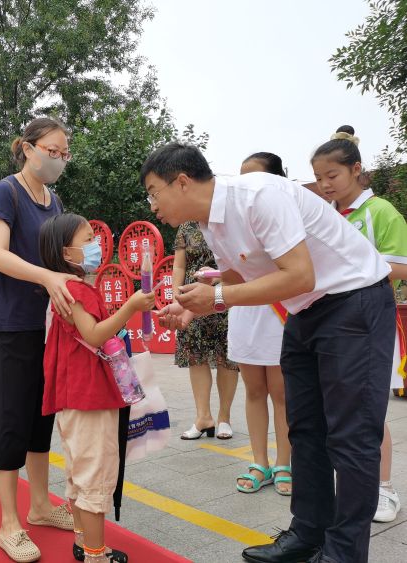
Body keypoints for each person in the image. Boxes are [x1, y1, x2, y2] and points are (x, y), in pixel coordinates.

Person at [142, 142, 395, 563]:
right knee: (304, 427)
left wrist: (219, 296)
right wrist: (190, 309)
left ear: (182, 181)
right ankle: (307, 534)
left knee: (350, 436)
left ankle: (345, 554)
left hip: (353, 303)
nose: (153, 206)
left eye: (154, 192)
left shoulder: (261, 195)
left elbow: (299, 273)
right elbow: (243, 273)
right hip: (306, 311)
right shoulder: (210, 222)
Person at [0, 117, 75, 562]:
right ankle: (8, 523)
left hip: (47, 323)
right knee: (12, 418)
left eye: (64, 152)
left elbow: (59, 256)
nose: (58, 158)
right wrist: (48, 276)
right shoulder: (6, 191)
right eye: (51, 150)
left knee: (41, 418)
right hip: (11, 321)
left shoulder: (54, 201)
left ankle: (39, 506)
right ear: (27, 147)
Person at [40, 213, 154, 563]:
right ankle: (95, 554)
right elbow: (94, 334)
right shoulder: (76, 289)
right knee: (95, 476)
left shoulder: (64, 289)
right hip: (90, 396)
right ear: (67, 253)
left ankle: (82, 542)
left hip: (75, 396)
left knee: (79, 472)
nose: (96, 245)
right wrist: (132, 307)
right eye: (88, 239)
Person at [311, 125, 407, 523]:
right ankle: (351, 486)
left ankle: (383, 489)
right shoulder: (322, 218)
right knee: (336, 412)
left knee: (369, 412)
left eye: (332, 176)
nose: (325, 185)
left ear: (355, 170)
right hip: (330, 324)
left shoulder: (379, 211)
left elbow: (402, 265)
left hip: (370, 323)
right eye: (318, 178)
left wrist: (352, 272)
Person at [232, 152, 291, 496]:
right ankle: (260, 462)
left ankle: (284, 462)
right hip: (245, 310)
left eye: (252, 177)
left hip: (280, 310)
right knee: (254, 390)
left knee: (282, 393)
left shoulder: (287, 214)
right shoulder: (234, 220)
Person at [172, 222, 238, 440]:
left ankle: (224, 418)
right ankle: (203, 418)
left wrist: (218, 277)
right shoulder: (186, 226)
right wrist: (177, 298)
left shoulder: (228, 220)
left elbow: (241, 263)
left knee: (226, 358)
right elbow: (179, 266)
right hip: (193, 298)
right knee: (196, 356)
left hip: (226, 295)